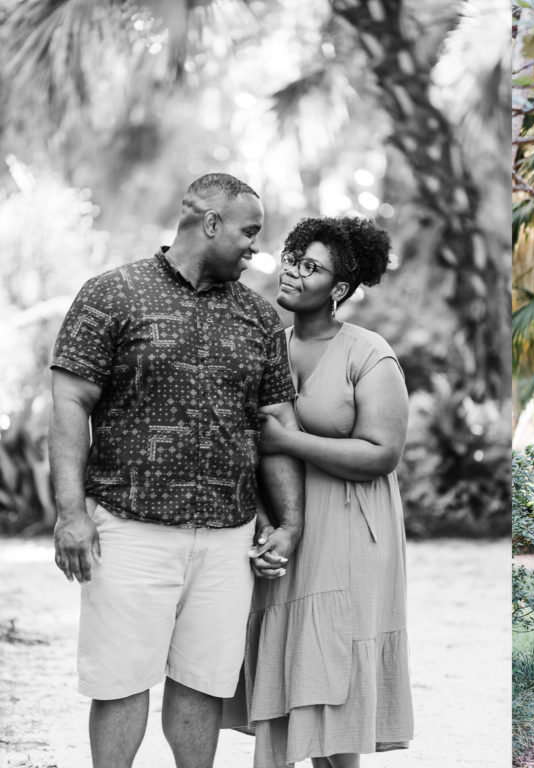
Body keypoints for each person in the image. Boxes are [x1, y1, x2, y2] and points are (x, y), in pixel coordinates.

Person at [48, 173, 304, 768]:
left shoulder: (260, 319)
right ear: (210, 223)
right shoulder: (110, 294)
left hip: (226, 536)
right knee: (119, 680)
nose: (255, 247)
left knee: (204, 682)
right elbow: (70, 406)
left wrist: (289, 521)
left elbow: (276, 428)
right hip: (130, 528)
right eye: (249, 232)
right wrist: (69, 514)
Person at [224, 216, 413, 768]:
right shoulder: (269, 346)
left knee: (335, 682)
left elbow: (382, 453)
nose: (293, 272)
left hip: (353, 532)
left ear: (338, 289)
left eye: (312, 267)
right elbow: (251, 449)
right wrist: (266, 522)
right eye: (293, 258)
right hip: (285, 530)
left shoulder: (368, 353)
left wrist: (289, 439)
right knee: (292, 674)